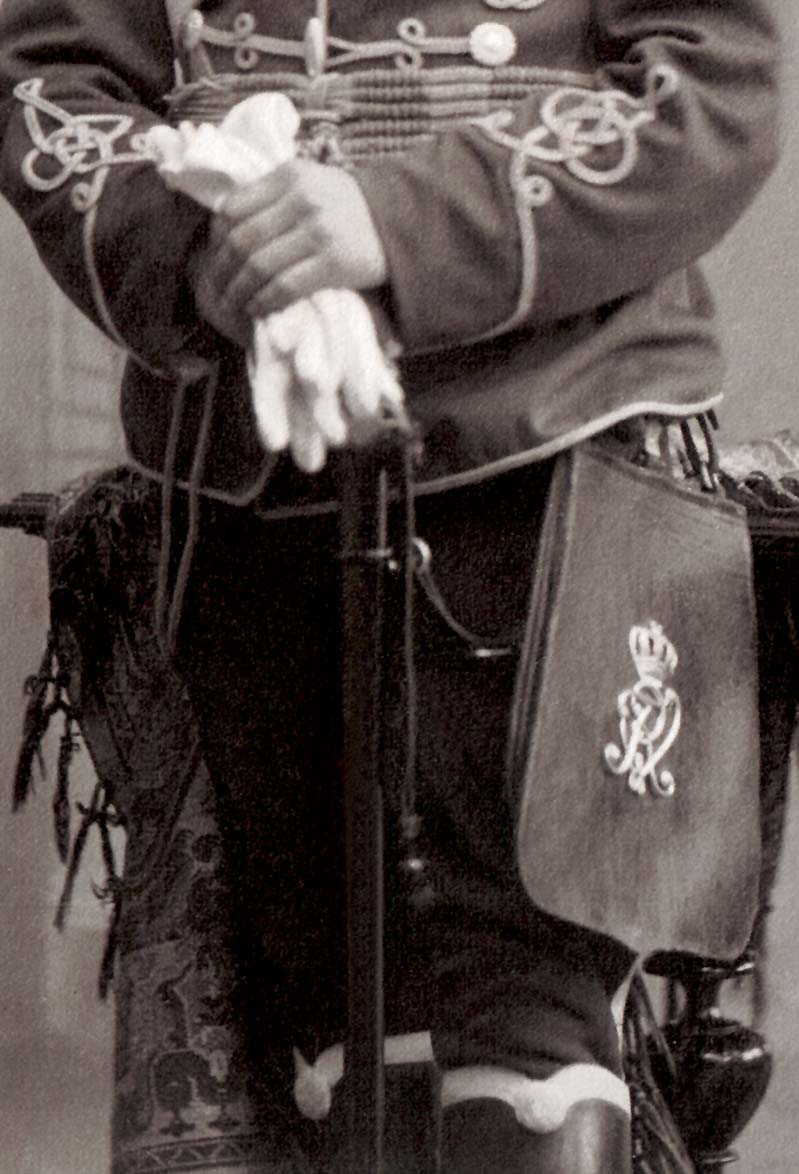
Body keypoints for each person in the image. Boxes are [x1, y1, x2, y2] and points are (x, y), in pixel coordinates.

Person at [0, 2, 780, 1172]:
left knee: (526, 1021)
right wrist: (201, 246)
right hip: (247, 455)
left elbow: (714, 87)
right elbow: (53, 81)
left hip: (554, 426)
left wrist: (396, 221)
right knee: (334, 1032)